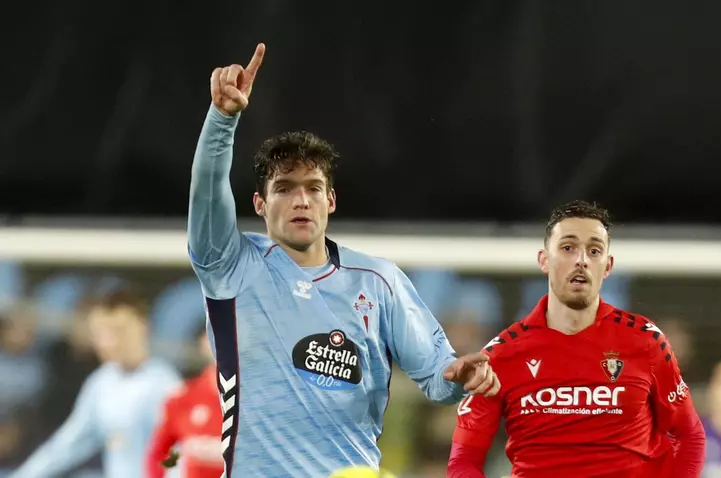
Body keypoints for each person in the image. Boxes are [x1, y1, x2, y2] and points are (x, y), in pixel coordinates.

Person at [188, 43, 499, 477]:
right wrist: (222, 119)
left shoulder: (378, 281)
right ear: (260, 204)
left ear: (330, 200)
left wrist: (459, 376)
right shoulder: (230, 266)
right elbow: (207, 191)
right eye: (284, 188)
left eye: (313, 188)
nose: (301, 200)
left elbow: (436, 376)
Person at [447, 200, 705, 478]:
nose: (581, 260)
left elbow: (689, 435)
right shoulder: (500, 355)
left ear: (607, 266)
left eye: (594, 250)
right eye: (568, 248)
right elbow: (463, 460)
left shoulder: (645, 340)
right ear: (544, 260)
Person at [11, 289, 181, 478]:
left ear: (143, 327)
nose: (109, 342)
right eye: (101, 333)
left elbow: (178, 455)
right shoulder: (101, 382)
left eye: (119, 330)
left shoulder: (164, 386)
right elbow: (67, 445)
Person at [146, 328, 223, 478]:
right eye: (216, 335)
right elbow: (159, 454)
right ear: (203, 342)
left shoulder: (260, 401)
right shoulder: (182, 397)